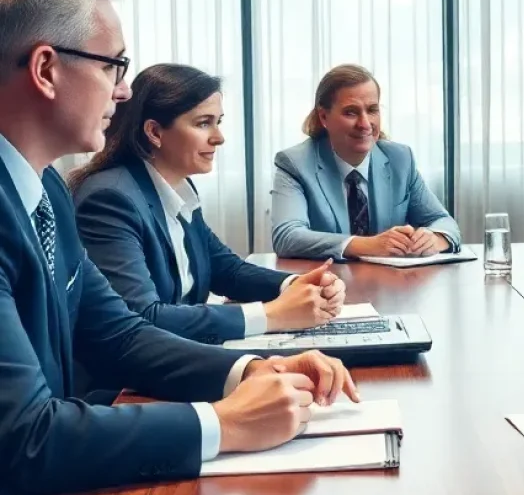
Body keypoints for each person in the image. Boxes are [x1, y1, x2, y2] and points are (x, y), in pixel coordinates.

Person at [0, 0, 358, 495]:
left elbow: (117, 334)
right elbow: (26, 439)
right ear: (46, 69)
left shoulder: (44, 191)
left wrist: (253, 370)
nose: (122, 91)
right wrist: (220, 424)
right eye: (112, 66)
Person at [71, 64, 346, 344]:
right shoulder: (110, 199)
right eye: (203, 123)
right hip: (127, 382)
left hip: (184, 355)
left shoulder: (178, 185)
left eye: (218, 122)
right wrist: (272, 315)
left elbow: (225, 269)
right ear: (154, 131)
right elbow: (143, 317)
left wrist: (295, 285)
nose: (219, 137)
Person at [272, 64, 461, 260]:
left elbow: (442, 221)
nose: (364, 124)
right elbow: (288, 236)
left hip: (392, 285)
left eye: (372, 110)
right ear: (323, 116)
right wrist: (369, 245)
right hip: (325, 284)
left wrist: (434, 238)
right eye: (351, 112)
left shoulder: (400, 159)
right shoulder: (295, 164)